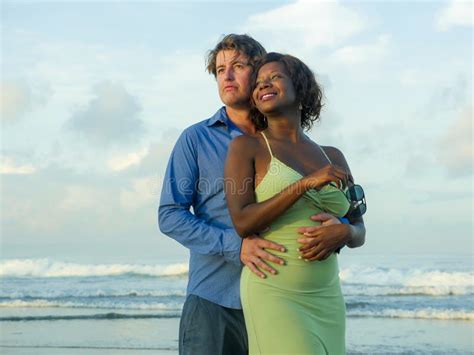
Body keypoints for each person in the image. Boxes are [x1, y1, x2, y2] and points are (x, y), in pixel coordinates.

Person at [159, 35, 365, 355]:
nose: (226, 76)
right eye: (219, 69)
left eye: (238, 66)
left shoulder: (298, 145)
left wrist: (343, 229)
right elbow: (169, 214)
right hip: (217, 296)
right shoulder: (196, 139)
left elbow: (343, 216)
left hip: (305, 290)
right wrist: (236, 246)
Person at [224, 52, 365, 354]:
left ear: (300, 88)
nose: (264, 85)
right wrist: (303, 184)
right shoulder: (246, 147)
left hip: (327, 295)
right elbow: (243, 222)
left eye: (274, 77)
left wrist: (345, 232)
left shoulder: (333, 156)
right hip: (274, 290)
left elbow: (359, 227)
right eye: (259, 82)